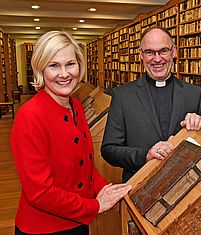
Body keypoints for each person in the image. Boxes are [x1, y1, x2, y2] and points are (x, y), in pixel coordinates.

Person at [10, 31, 131, 235]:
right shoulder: (29, 116)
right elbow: (40, 193)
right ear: (40, 69)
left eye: (70, 64)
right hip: (44, 229)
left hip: (77, 221)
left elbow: (84, 166)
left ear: (80, 66)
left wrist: (107, 190)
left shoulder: (75, 106)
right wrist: (95, 206)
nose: (64, 74)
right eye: (54, 65)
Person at [101, 26, 201, 182]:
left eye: (163, 51)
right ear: (141, 55)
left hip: (185, 184)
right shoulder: (122, 96)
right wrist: (145, 155)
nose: (157, 59)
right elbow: (109, 150)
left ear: (174, 51)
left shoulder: (194, 94)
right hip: (140, 184)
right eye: (150, 52)